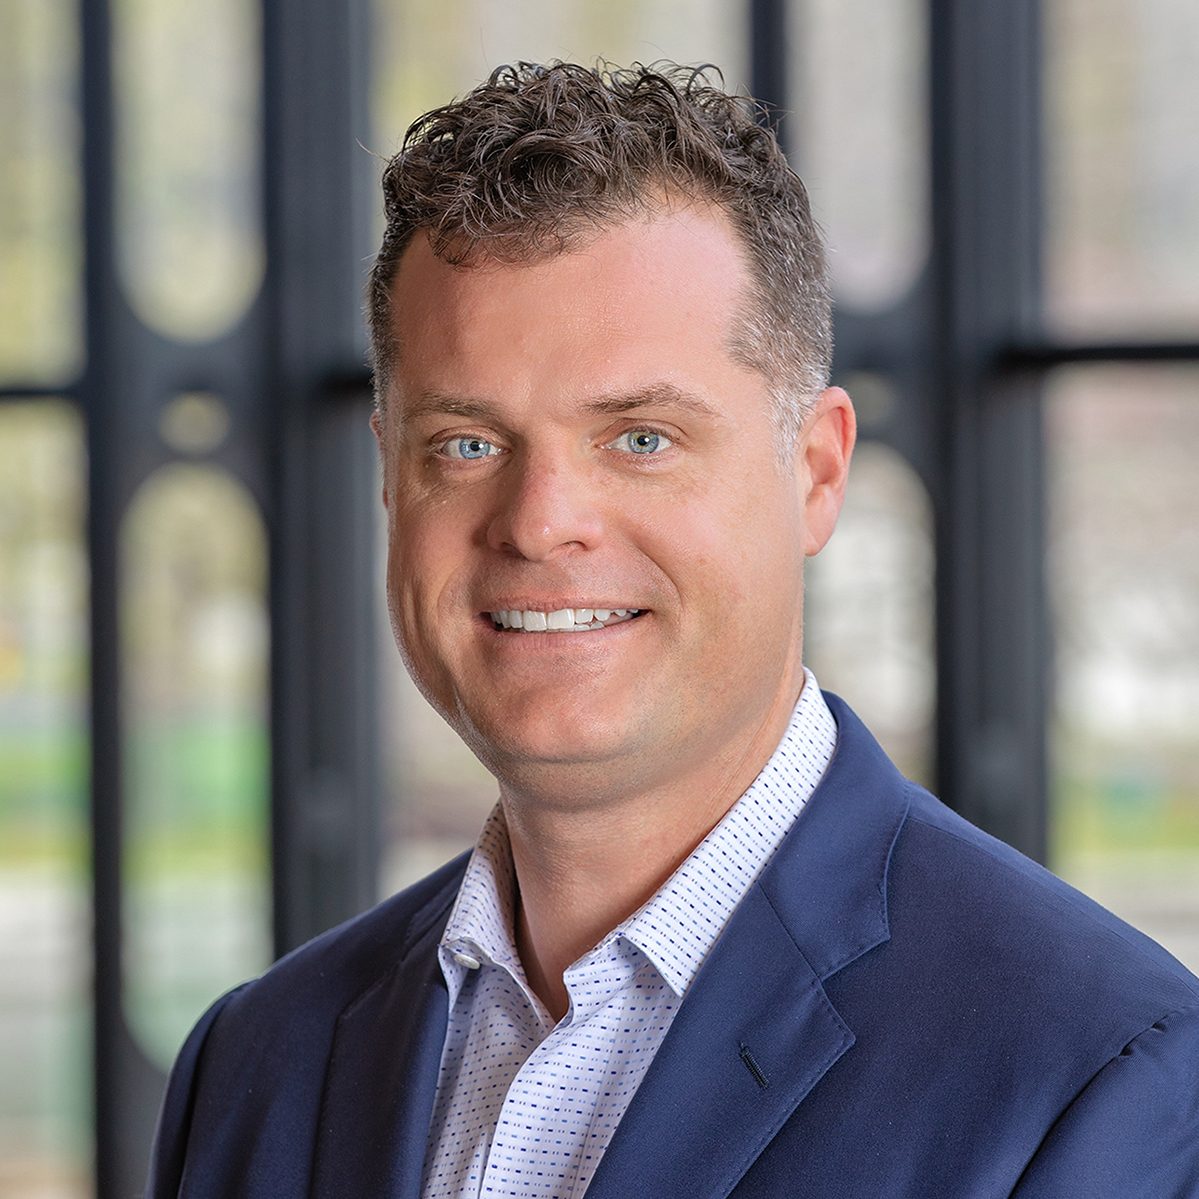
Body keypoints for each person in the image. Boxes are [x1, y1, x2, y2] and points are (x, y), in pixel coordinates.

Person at [147, 62, 1199, 1198]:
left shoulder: (1094, 1076)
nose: (539, 522)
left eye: (639, 438)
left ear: (815, 471)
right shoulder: (256, 1059)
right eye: (465, 443)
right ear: (390, 477)